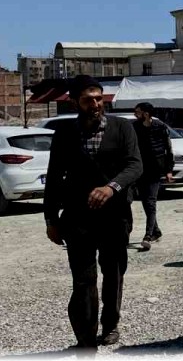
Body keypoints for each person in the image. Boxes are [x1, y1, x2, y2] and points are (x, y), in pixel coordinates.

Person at [43, 75, 143, 351]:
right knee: (83, 280)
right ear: (75, 102)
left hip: (115, 216)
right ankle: (86, 342)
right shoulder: (65, 133)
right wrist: (50, 219)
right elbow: (54, 177)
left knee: (113, 273)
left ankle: (110, 324)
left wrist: (111, 187)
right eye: (88, 100)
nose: (96, 104)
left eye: (99, 99)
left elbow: (135, 165)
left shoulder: (122, 127)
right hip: (78, 218)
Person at [132, 102, 174, 252]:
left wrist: (169, 170)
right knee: (145, 202)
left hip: (155, 170)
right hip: (140, 170)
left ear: (146, 114)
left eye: (137, 112)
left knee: (150, 202)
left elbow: (168, 149)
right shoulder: (134, 127)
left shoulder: (160, 126)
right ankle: (156, 231)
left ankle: (148, 236)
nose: (135, 114)